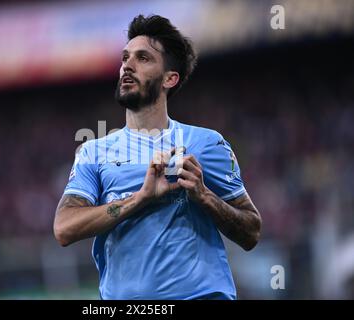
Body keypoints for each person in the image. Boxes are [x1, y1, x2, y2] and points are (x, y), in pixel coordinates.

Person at [54, 14, 261, 300]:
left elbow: (251, 231)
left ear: (169, 78)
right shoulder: (93, 152)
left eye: (143, 58)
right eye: (125, 57)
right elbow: (64, 228)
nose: (127, 65)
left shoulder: (205, 143)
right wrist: (142, 198)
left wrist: (205, 196)